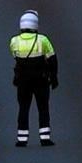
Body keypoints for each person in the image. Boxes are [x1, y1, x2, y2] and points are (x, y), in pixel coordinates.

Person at [11, 10, 58, 147]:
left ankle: (22, 139)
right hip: (41, 80)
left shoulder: (15, 41)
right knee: (43, 108)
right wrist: (54, 77)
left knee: (23, 108)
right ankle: (45, 138)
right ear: (35, 25)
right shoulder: (43, 40)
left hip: (23, 81)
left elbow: (15, 57)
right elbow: (52, 59)